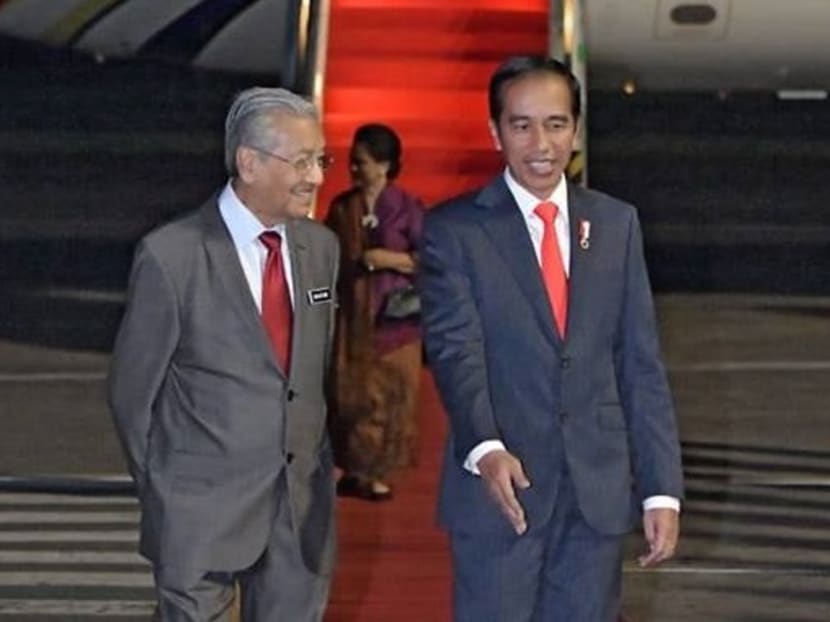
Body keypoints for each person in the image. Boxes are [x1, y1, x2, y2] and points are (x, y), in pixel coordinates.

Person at [418, 56, 684, 621]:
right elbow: (453, 351)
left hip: (596, 499)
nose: (541, 143)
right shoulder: (455, 231)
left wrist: (661, 489)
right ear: (495, 132)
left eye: (557, 124)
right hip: (500, 497)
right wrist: (485, 448)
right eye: (522, 125)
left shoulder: (616, 225)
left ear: (577, 129)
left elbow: (639, 363)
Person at [108, 87, 340, 621]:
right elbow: (131, 395)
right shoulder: (172, 256)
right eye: (302, 161)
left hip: (298, 515)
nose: (317, 177)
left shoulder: (320, 249)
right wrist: (168, 495)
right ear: (249, 162)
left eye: (320, 159)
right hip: (199, 515)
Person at [325, 123, 425, 501]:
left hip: (392, 320)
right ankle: (353, 466)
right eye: (352, 162)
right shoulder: (342, 208)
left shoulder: (408, 209)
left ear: (384, 165)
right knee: (348, 391)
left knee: (390, 394)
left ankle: (378, 471)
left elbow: (432, 258)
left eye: (362, 162)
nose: (354, 169)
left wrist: (389, 259)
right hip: (351, 317)